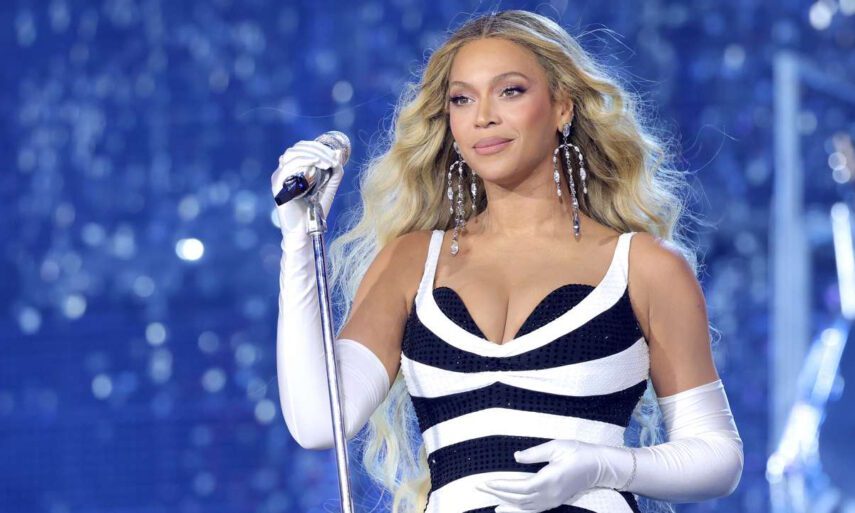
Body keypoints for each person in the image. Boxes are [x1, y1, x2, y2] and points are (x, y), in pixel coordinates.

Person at [272, 9, 743, 513]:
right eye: (462, 99)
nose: (483, 117)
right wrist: (298, 239)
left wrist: (604, 465)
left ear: (563, 107)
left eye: (510, 91)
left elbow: (718, 457)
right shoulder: (411, 263)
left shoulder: (643, 267)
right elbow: (319, 422)